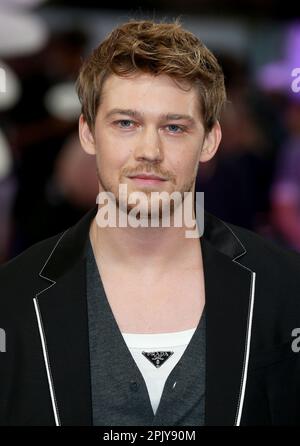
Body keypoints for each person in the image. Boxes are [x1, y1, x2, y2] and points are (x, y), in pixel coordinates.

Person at [0, 19, 300, 427]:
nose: (149, 151)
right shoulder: (13, 296)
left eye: (174, 127)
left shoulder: (284, 286)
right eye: (126, 123)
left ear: (210, 141)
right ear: (88, 133)